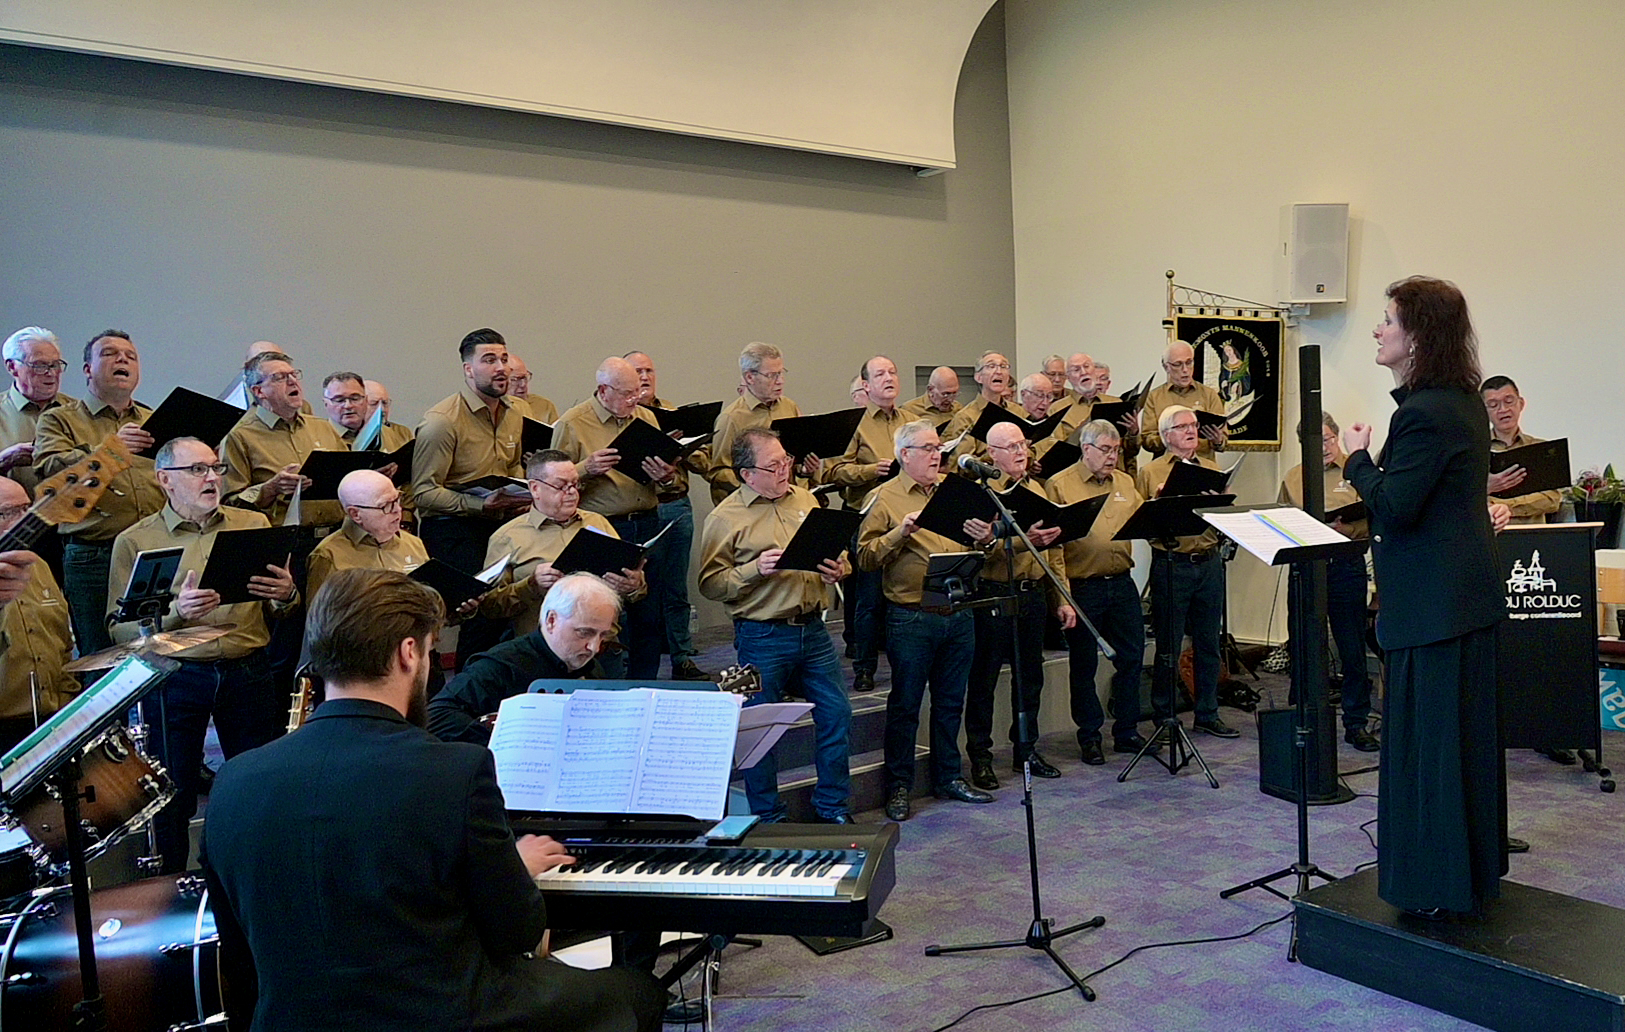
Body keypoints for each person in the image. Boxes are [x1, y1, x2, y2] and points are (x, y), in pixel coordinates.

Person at [203, 568, 662, 1032]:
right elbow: (517, 932)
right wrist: (514, 867)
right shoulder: (455, 771)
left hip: (291, 1021)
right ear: (409, 653)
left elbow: (237, 956)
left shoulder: (234, 781)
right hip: (441, 1015)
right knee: (637, 991)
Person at [1341, 275, 1506, 918]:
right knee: (1461, 748)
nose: (1377, 329)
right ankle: (1466, 873)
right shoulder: (1459, 401)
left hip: (1434, 609)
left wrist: (1356, 459)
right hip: (1460, 601)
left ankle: (1434, 884)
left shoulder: (1423, 412)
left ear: (1417, 335)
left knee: (1431, 751)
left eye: (1387, 319)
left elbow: (1397, 505)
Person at [109, 436, 297, 872]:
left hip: (247, 670)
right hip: (177, 675)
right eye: (197, 470)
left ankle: (255, 876)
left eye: (215, 468)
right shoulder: (135, 540)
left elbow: (283, 607)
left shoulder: (252, 524)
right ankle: (173, 887)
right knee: (172, 794)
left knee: (257, 786)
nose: (212, 478)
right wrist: (177, 613)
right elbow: (118, 629)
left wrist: (286, 594)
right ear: (164, 480)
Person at [699, 428, 853, 823]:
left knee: (837, 714)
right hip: (761, 634)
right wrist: (754, 569)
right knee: (760, 728)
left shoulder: (804, 498)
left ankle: (832, 806)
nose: (785, 470)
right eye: (773, 466)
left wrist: (840, 569)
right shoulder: (724, 518)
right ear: (747, 474)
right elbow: (710, 584)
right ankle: (768, 815)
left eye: (786, 461)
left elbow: (837, 555)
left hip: (814, 630)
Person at [857, 419, 995, 821]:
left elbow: (977, 542)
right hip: (911, 616)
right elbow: (864, 557)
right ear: (905, 455)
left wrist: (985, 538)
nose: (938, 455)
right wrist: (900, 533)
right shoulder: (883, 498)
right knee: (906, 705)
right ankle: (899, 785)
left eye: (939, 448)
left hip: (958, 610)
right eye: (929, 449)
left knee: (951, 702)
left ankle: (948, 776)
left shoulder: (954, 490)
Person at [33, 330, 165, 654]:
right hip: (94, 555)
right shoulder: (59, 420)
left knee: (159, 650)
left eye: (131, 356)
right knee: (102, 657)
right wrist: (111, 450)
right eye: (109, 353)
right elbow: (50, 472)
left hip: (153, 549)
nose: (122, 360)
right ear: (87, 369)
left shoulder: (154, 419)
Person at [962, 422, 1076, 788]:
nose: (1021, 452)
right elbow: (976, 552)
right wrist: (1024, 541)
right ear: (991, 454)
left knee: (1030, 677)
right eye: (1011, 447)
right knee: (984, 679)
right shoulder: (981, 494)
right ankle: (981, 756)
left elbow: (1054, 551)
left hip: (1032, 593)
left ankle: (1026, 749)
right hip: (992, 592)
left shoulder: (1036, 489)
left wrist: (1063, 598)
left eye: (1023, 445)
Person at [411, 329, 532, 667]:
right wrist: (479, 505)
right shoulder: (441, 422)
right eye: (489, 360)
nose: (501, 368)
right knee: (481, 613)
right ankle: (469, 686)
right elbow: (423, 493)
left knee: (508, 609)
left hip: (499, 522)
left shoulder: (515, 411)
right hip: (453, 528)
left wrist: (522, 490)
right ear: (468, 369)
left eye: (504, 359)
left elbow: (511, 465)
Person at [552, 358, 676, 679]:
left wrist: (665, 476)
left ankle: (645, 685)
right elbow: (554, 482)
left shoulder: (645, 416)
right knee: (606, 616)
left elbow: (665, 475)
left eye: (637, 392)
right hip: (604, 528)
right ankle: (609, 687)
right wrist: (586, 469)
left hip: (647, 520)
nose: (635, 400)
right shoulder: (573, 423)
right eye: (626, 394)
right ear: (603, 390)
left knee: (648, 614)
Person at [1135, 405, 1239, 740]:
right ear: (1166, 436)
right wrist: (1161, 504)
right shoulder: (1150, 472)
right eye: (1183, 427)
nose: (1192, 431)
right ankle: (1164, 716)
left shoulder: (1210, 467)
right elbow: (1139, 522)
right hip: (1172, 562)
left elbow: (1223, 519)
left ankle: (1207, 712)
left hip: (1208, 561)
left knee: (1209, 642)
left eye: (1193, 425)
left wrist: (1223, 502)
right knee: (1169, 644)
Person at [1047, 419, 1146, 762]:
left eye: (1115, 450)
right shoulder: (1060, 485)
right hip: (1083, 587)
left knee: (1132, 657)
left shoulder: (1125, 481)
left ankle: (1127, 730)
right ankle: (1089, 735)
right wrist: (1063, 597)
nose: (1112, 457)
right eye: (1105, 450)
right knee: (1084, 664)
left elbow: (1142, 518)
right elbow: (1054, 549)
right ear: (1086, 449)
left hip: (1121, 582)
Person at [1278, 412, 1378, 752]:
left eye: (1326, 439)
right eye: (1312, 442)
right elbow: (1281, 522)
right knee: (1304, 644)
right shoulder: (1294, 477)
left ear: (1336, 437)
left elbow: (1376, 515)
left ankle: (1356, 723)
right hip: (1306, 568)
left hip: (1345, 565)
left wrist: (1348, 529)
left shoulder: (1356, 469)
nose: (1321, 447)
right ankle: (1306, 718)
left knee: (1351, 647)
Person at [428, 571, 622, 746]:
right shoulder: (500, 666)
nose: (594, 647)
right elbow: (437, 716)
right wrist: (508, 737)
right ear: (551, 620)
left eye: (603, 635)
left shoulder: (593, 669)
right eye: (584, 632)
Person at [477, 449, 645, 639]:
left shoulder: (598, 522)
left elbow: (634, 589)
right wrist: (531, 585)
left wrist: (634, 585)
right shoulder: (507, 537)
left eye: (575, 484)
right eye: (561, 486)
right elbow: (490, 607)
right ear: (535, 488)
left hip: (603, 642)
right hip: (543, 645)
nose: (572, 492)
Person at [625, 350, 708, 680]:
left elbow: (704, 462)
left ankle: (682, 657)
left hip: (675, 505)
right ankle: (632, 663)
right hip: (639, 509)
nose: (644, 377)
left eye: (649, 370)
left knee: (675, 588)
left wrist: (682, 447)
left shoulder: (672, 414)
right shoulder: (622, 418)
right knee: (636, 589)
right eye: (637, 371)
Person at [827, 356, 906, 693]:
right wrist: (872, 470)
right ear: (866, 385)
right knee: (869, 598)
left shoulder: (910, 421)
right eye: (880, 374)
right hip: (867, 515)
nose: (889, 378)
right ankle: (864, 666)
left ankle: (904, 664)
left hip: (905, 516)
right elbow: (833, 471)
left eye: (892, 372)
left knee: (902, 594)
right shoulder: (855, 423)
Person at [221, 351, 348, 530]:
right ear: (259, 391)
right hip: (282, 538)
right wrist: (270, 489)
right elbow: (229, 506)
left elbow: (349, 479)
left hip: (335, 534)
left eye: (293, 374)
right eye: (280, 377)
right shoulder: (240, 436)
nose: (292, 381)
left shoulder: (323, 427)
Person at [0, 477, 78, 753]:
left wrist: (68, 701)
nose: (25, 521)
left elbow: (63, 642)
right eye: (9, 512)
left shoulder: (39, 567)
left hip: (51, 720)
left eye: (27, 509)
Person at [706, 342, 813, 504]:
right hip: (754, 505)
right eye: (772, 375)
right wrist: (756, 485)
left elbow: (796, 458)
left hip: (790, 500)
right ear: (750, 377)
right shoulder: (731, 418)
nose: (780, 381)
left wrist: (804, 470)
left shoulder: (789, 407)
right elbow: (718, 472)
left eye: (781, 373)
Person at [305, 469, 430, 600]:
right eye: (385, 505)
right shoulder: (328, 555)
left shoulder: (414, 543)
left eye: (397, 499)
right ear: (355, 514)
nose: (397, 510)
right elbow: (320, 611)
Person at [0, 326, 74, 502]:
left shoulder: (77, 412)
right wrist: (4, 460)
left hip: (73, 515)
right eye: (40, 365)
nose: (51, 373)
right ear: (12, 367)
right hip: (14, 516)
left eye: (55, 365)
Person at [1480, 375, 1561, 526]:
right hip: (1490, 534)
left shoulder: (1542, 449)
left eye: (1509, 401)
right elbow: (1461, 496)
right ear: (1482, 411)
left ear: (1521, 403)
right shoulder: (1475, 452)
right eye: (1493, 405)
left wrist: (1504, 507)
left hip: (1533, 535)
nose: (1503, 409)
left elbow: (1552, 499)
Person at [1140, 341, 1227, 457]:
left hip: (1201, 463)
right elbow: (1147, 441)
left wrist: (1218, 441)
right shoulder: (1155, 397)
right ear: (1166, 367)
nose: (1185, 369)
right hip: (1167, 464)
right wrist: (1172, 438)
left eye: (1189, 362)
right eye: (1178, 364)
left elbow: (1223, 443)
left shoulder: (1209, 395)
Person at [942, 351, 1025, 468]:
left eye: (1003, 366)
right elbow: (962, 466)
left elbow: (1030, 446)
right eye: (991, 366)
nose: (998, 371)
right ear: (978, 377)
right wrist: (997, 455)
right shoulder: (966, 417)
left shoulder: (1018, 411)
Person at [323, 371, 414, 451]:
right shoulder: (317, 437)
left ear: (365, 401)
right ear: (326, 404)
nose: (348, 405)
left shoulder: (393, 436)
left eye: (355, 398)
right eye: (339, 400)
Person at [507, 354, 560, 424]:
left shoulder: (544, 406)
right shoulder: (495, 408)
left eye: (524, 377)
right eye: (515, 379)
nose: (523, 384)